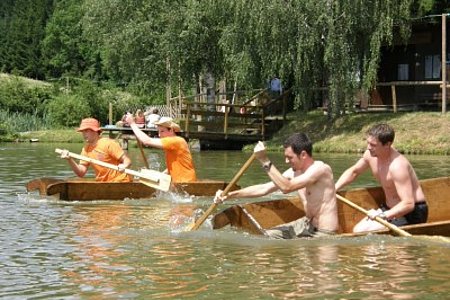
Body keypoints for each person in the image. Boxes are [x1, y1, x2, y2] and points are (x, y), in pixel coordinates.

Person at [214, 133, 339, 239]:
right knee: (264, 238)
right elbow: (263, 188)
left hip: (323, 232)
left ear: (303, 155)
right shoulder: (293, 173)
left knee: (304, 265)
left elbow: (287, 187)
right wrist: (228, 195)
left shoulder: (321, 169)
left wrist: (264, 160)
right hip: (305, 224)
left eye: (289, 157)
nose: (286, 161)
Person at [335, 123, 428, 233]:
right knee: (358, 230)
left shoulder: (398, 166)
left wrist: (383, 215)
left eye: (373, 145)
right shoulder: (370, 155)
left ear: (387, 144)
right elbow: (354, 172)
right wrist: (334, 188)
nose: (369, 147)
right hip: (390, 209)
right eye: (368, 143)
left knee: (364, 234)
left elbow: (408, 204)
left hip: (411, 213)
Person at [125, 114, 197, 183]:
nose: (159, 135)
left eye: (162, 131)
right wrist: (160, 175)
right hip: (181, 183)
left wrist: (132, 124)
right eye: (158, 131)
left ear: (171, 130)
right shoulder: (175, 143)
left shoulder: (175, 141)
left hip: (185, 182)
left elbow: (147, 141)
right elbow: (172, 166)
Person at [59, 118, 132, 182]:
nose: (84, 134)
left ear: (95, 131)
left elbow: (127, 160)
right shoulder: (86, 149)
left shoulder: (108, 144)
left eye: (86, 131)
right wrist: (69, 160)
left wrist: (124, 165)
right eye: (83, 131)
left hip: (120, 180)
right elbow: (81, 173)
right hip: (103, 183)